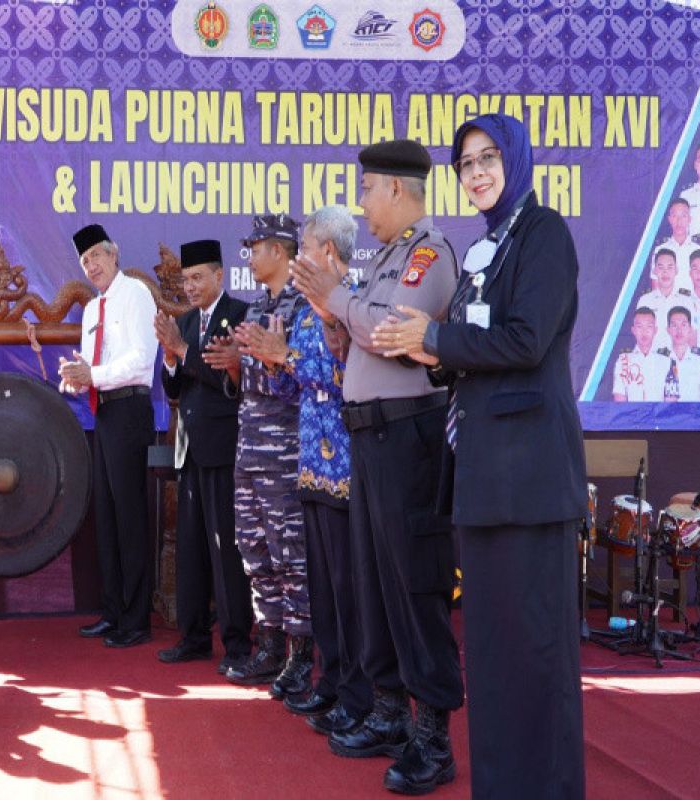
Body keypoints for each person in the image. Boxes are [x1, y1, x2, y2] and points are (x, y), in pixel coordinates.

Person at [371, 113, 586, 799]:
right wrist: (426, 350)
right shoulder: (484, 249)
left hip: (529, 481)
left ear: (516, 160)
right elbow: (465, 348)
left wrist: (435, 339)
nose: (478, 171)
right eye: (466, 163)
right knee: (493, 661)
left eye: (489, 157)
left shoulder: (543, 234)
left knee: (535, 660)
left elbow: (525, 342)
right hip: (484, 481)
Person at [292, 139, 462, 795]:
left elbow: (393, 334)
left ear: (396, 188)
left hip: (407, 438)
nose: (361, 207)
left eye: (367, 191)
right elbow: (358, 334)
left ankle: (432, 736)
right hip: (368, 437)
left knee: (414, 587)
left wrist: (343, 304)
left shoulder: (428, 254)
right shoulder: (381, 258)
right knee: (374, 585)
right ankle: (390, 711)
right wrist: (332, 314)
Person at [239, 206, 372, 736]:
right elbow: (294, 388)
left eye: (308, 249)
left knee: (347, 585)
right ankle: (333, 682)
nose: (300, 260)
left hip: (344, 464)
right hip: (309, 467)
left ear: (331, 254)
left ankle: (360, 692)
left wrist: (286, 357)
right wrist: (274, 362)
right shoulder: (309, 308)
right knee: (323, 582)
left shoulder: (351, 304)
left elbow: (345, 376)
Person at [210, 214, 310, 693]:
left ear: (280, 250)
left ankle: (300, 655)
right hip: (248, 446)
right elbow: (246, 388)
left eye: (256, 244)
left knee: (290, 552)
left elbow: (304, 382)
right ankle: (268, 646)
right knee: (254, 547)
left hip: (286, 451)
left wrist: (274, 356)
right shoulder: (251, 313)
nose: (248, 252)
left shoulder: (303, 307)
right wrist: (235, 366)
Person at [155, 239, 253, 671]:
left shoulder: (241, 316)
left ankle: (236, 646)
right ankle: (193, 637)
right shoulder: (187, 321)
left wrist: (182, 352)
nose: (190, 287)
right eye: (185, 280)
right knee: (191, 548)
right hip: (189, 448)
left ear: (220, 275)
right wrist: (171, 362)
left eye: (197, 278)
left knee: (225, 550)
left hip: (225, 449)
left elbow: (229, 382)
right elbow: (176, 390)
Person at [60, 224, 159, 648]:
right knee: (106, 515)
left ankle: (136, 620)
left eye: (97, 256)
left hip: (130, 410)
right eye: (85, 262)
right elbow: (91, 367)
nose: (92, 266)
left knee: (129, 516)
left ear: (114, 255)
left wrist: (94, 374)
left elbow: (141, 360)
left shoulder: (135, 294)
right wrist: (76, 380)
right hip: (103, 413)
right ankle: (113, 611)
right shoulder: (91, 309)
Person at [635, 249, 692, 349]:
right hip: (653, 359)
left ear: (676, 270)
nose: (665, 272)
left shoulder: (686, 301)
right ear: (654, 271)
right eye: (661, 267)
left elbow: (692, 335)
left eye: (670, 267)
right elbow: (640, 335)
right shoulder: (645, 301)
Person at [611, 307, 670, 401]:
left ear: (655, 330)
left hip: (659, 415)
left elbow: (670, 402)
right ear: (633, 330)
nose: (644, 331)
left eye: (649, 327)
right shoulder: (623, 360)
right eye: (639, 327)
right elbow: (619, 398)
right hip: (631, 414)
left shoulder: (666, 362)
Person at [659, 306, 700, 401]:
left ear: (690, 329)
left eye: (683, 325)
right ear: (668, 330)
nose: (679, 330)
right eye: (674, 325)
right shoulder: (659, 360)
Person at [653, 198, 697, 290]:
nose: (679, 221)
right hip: (667, 303)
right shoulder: (660, 250)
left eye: (683, 216)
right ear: (669, 219)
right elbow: (655, 285)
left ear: (689, 219)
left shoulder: (699, 249)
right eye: (675, 216)